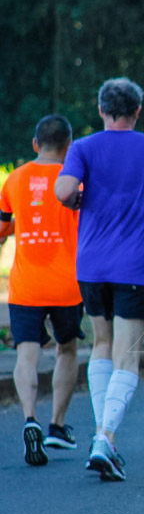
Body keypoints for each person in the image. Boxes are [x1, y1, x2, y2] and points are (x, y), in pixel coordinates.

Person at [54, 77, 144, 481]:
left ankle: (102, 437)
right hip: (134, 268)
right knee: (128, 353)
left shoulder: (83, 147)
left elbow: (62, 191)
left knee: (102, 345)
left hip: (91, 266)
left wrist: (78, 196)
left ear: (101, 109)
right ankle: (104, 436)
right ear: (137, 111)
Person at [0, 115, 83, 466]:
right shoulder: (75, 183)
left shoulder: (13, 181)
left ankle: (30, 417)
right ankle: (57, 425)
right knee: (67, 350)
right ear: (68, 147)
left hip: (26, 286)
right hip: (68, 284)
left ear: (35, 144)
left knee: (26, 356)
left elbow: (3, 228)